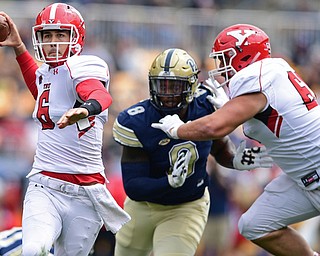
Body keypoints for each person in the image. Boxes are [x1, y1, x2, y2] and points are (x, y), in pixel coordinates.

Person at [151, 24, 320, 256]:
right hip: (304, 177)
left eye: (225, 59)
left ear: (246, 55)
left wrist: (179, 129)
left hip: (315, 172)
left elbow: (215, 125)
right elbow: (262, 129)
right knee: (255, 224)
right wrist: (230, 110)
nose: (221, 68)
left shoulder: (257, 77)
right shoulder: (273, 72)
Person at [112, 48, 273, 256]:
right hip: (143, 206)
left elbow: (220, 148)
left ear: (191, 86)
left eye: (175, 86)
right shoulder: (136, 121)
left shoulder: (206, 105)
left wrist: (235, 160)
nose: (167, 94)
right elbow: (133, 186)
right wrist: (167, 183)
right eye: (162, 85)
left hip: (186, 205)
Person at [0, 3, 130, 255]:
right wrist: (18, 48)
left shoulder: (85, 65)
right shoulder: (48, 72)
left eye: (60, 34)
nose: (53, 42)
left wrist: (87, 108)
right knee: (33, 250)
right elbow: (42, 89)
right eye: (47, 35)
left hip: (85, 192)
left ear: (76, 37)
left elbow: (98, 94)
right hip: (44, 185)